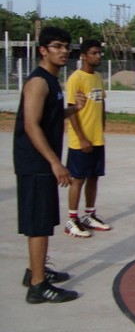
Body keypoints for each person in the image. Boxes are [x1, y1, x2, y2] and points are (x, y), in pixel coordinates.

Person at [14, 26, 86, 303]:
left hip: (41, 161)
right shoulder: (38, 82)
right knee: (39, 223)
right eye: (57, 46)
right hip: (34, 163)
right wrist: (55, 163)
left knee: (42, 219)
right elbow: (32, 126)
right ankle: (38, 286)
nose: (64, 51)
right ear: (43, 50)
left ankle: (36, 270)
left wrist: (74, 109)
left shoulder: (53, 81)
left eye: (66, 46)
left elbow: (51, 117)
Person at [64, 39, 110, 238]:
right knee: (78, 179)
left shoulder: (98, 77)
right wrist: (82, 138)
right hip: (80, 140)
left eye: (99, 53)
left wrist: (101, 127)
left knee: (94, 177)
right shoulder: (76, 78)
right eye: (94, 53)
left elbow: (101, 104)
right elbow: (72, 111)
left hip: (97, 138)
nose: (98, 56)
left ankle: (89, 214)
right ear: (83, 55)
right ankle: (72, 220)